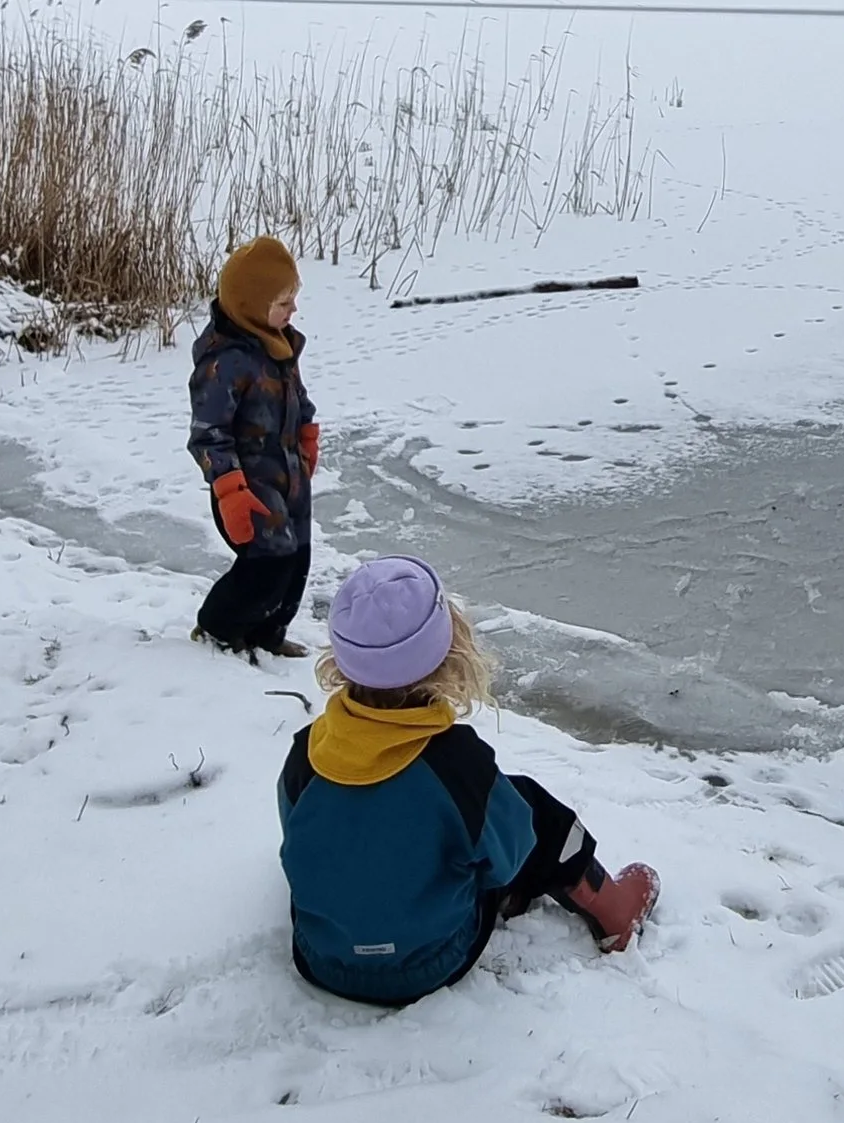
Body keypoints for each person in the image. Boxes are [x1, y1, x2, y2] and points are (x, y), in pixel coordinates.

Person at [278, 556, 657, 1005]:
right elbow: (511, 855)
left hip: (323, 957)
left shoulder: (307, 752)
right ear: (444, 656)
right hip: (431, 961)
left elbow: (300, 838)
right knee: (532, 808)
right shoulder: (458, 766)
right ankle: (611, 908)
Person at [189, 233, 317, 658]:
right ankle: (218, 627)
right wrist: (228, 488)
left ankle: (267, 635)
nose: (293, 310)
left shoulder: (278, 345)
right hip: (249, 482)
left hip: (289, 473)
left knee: (298, 558)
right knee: (268, 562)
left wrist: (307, 432)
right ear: (252, 305)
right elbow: (208, 433)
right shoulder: (226, 361)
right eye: (284, 302)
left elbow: (296, 396)